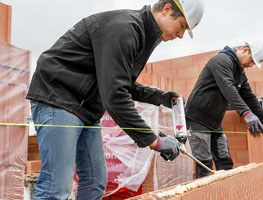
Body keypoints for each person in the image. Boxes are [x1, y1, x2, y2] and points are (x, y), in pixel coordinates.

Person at [26, 0, 204, 199]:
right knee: (56, 187)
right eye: (181, 26)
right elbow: (115, 96)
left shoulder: (144, 35)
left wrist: (159, 97)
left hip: (86, 107)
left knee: (95, 182)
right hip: (58, 96)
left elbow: (121, 81)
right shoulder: (125, 28)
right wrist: (154, 141)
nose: (180, 35)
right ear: (167, 9)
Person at [185, 40, 263, 178]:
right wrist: (247, 114)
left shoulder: (240, 73)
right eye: (251, 60)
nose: (251, 65)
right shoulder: (221, 61)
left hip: (214, 122)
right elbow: (228, 87)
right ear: (244, 50)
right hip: (197, 119)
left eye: (254, 63)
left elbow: (249, 97)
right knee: (204, 164)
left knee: (225, 162)